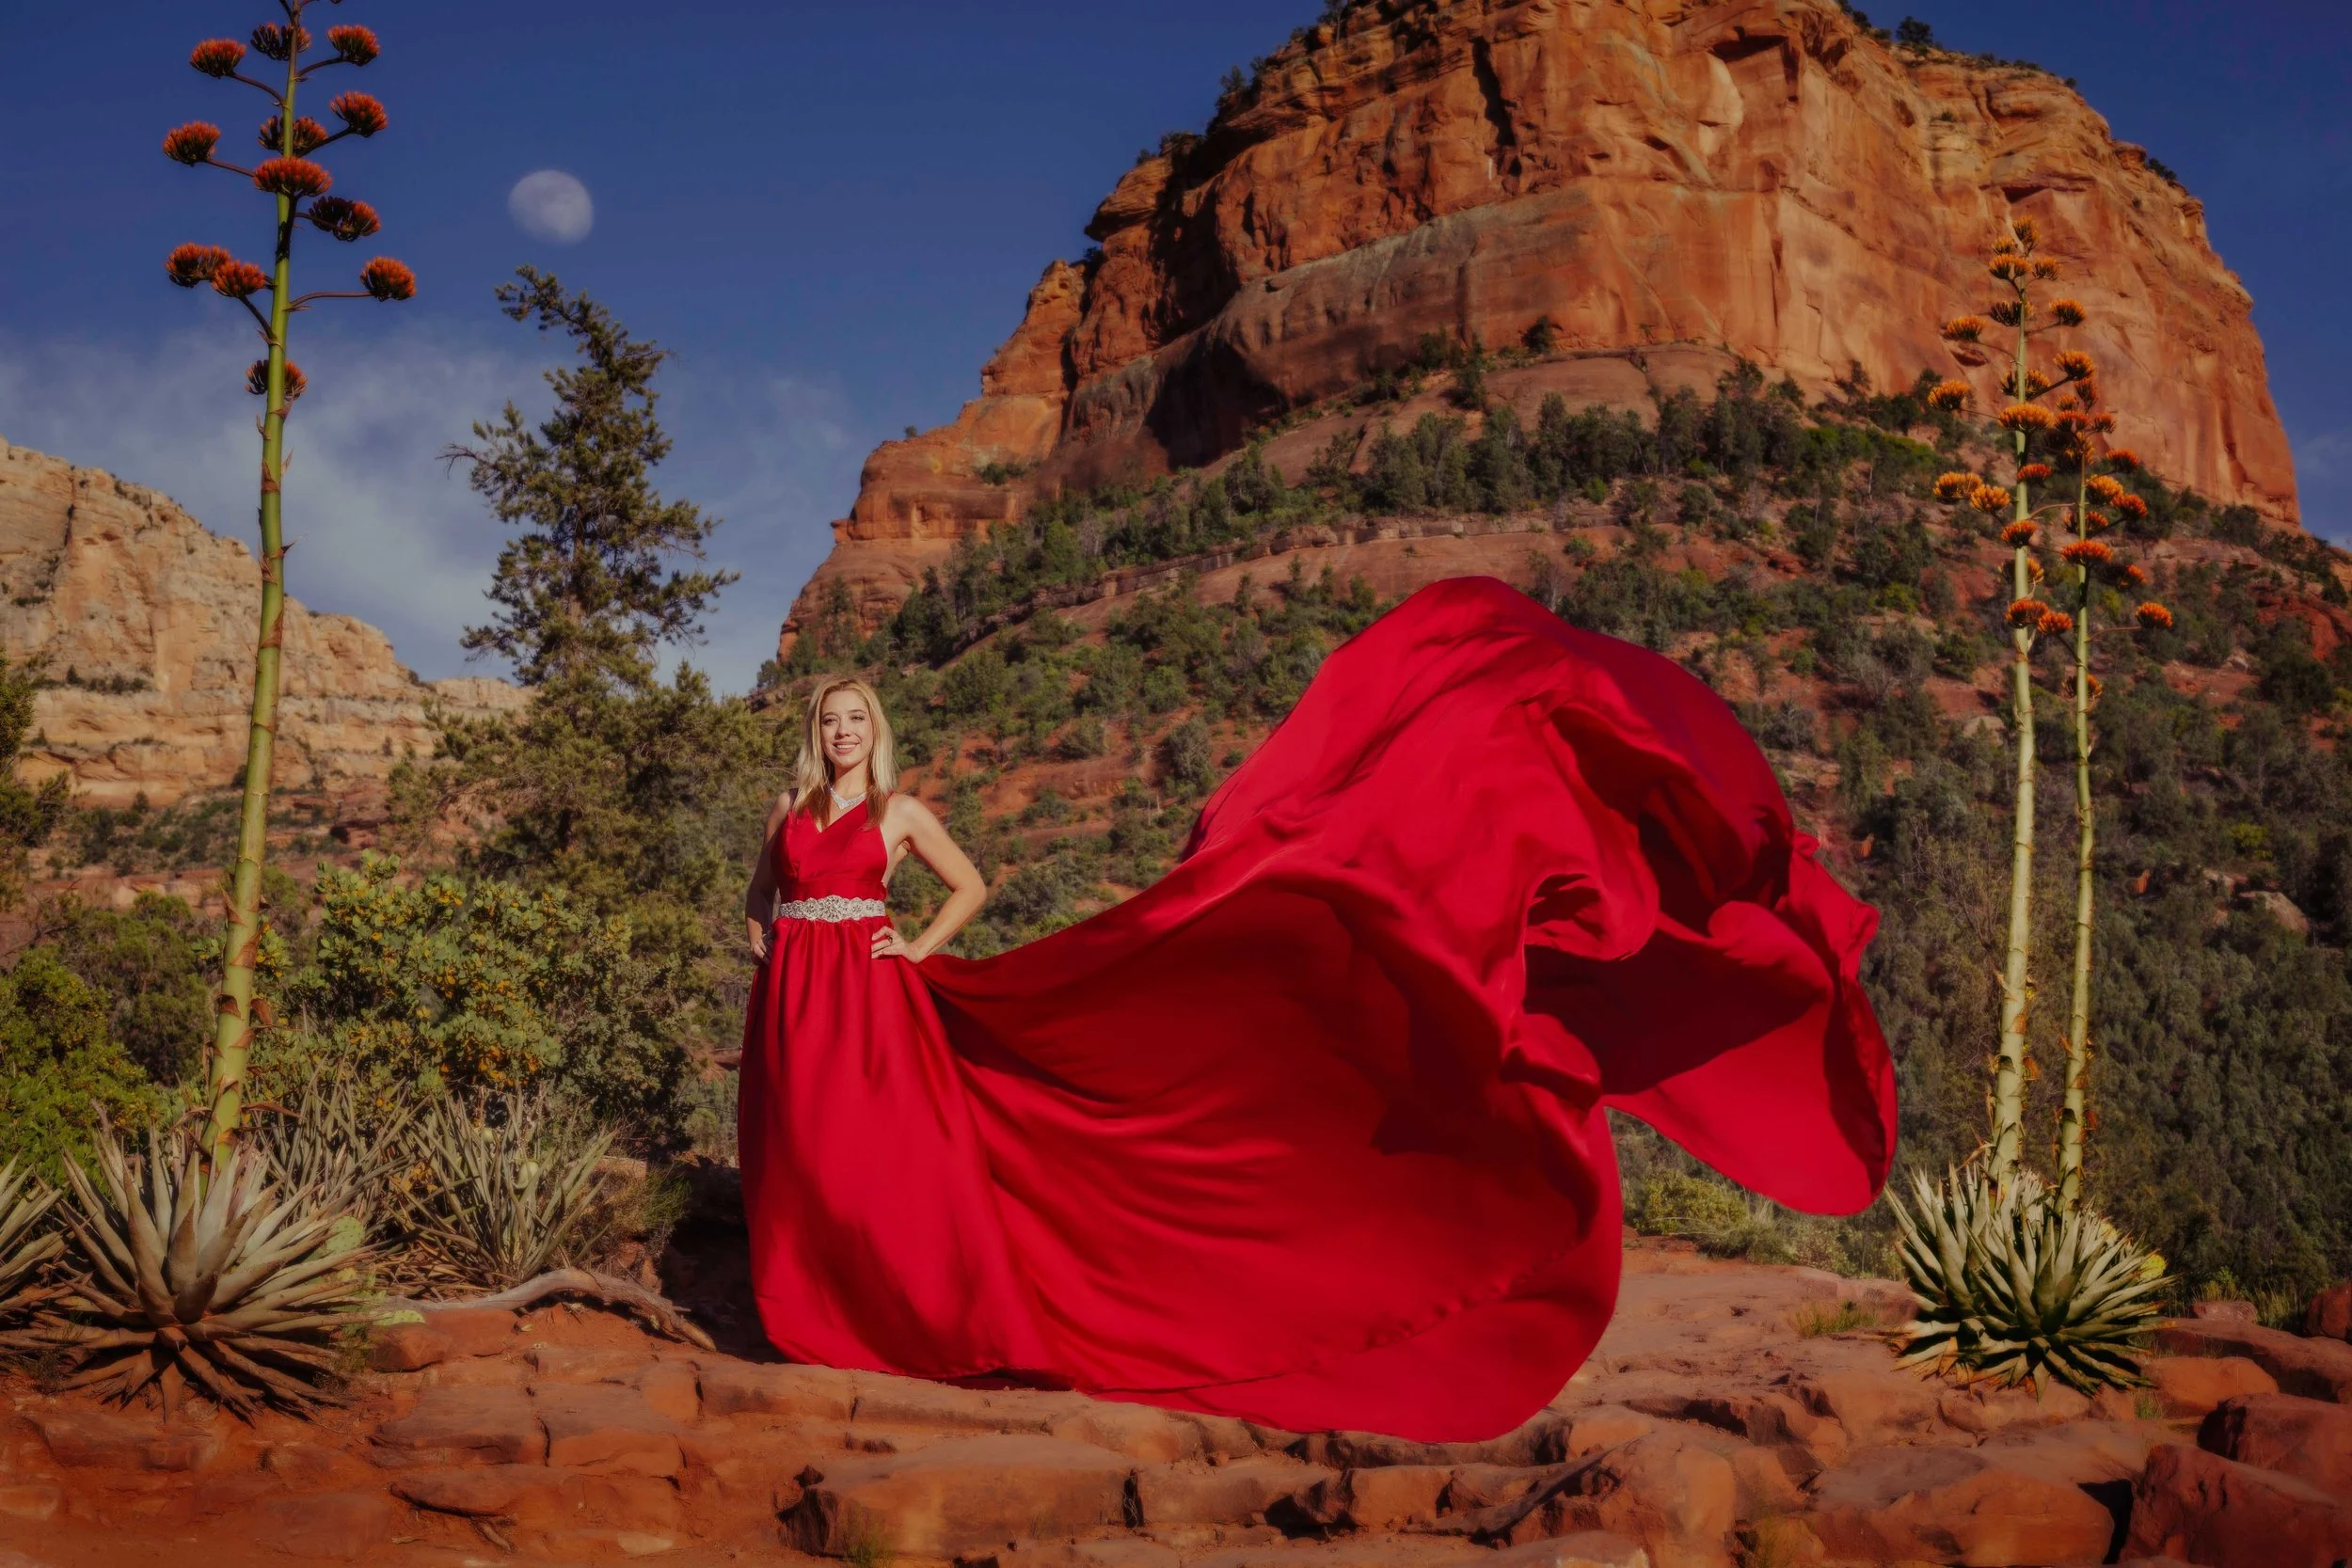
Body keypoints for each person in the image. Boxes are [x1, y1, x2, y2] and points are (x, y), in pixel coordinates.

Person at [739, 575, 1895, 1443]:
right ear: (816, 734)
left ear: (874, 728)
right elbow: (760, 900)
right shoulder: (789, 806)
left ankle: (882, 1319)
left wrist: (909, 948)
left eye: (855, 719)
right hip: (792, 994)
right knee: (810, 1153)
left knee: (875, 1153)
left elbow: (971, 885)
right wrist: (781, 950)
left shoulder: (899, 808)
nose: (842, 732)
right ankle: (818, 1302)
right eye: (830, 721)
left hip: (873, 987)